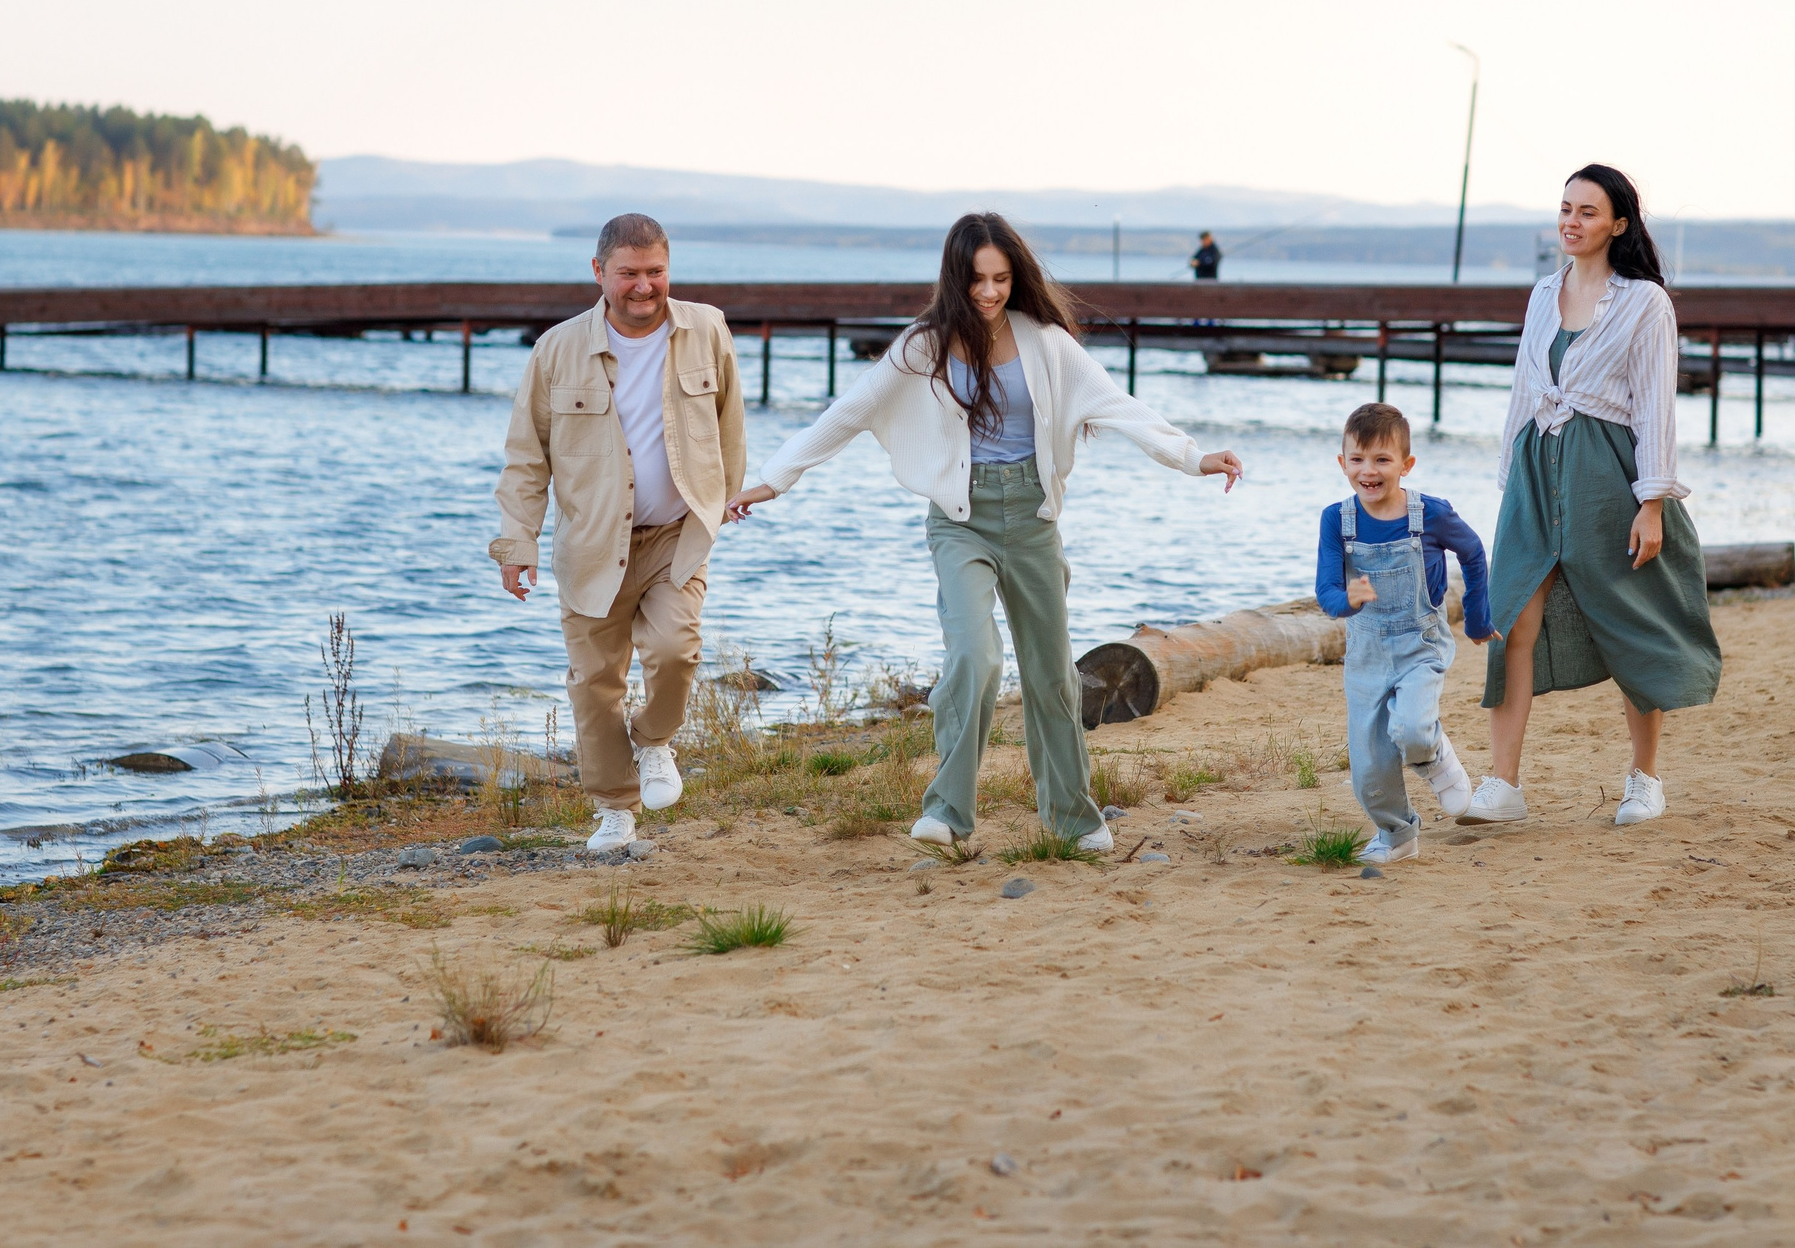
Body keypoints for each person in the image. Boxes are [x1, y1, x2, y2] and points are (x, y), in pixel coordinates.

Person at [724, 212, 1244, 853]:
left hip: (1033, 520)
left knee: (1052, 677)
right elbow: (848, 412)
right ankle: (946, 812)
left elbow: (1118, 407)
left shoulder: (1047, 343)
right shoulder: (923, 346)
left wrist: (1194, 457)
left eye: (1001, 279)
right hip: (960, 522)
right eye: (977, 280)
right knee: (975, 656)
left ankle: (1072, 817)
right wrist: (771, 480)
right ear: (955, 279)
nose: (990, 292)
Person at [1462, 165, 1722, 829]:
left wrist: (1653, 500)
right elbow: (1523, 391)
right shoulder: (1541, 293)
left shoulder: (1645, 302)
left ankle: (1645, 779)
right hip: (1535, 470)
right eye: (1565, 208)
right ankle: (1503, 784)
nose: (1571, 221)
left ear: (1618, 224)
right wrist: (1508, 483)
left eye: (1587, 211)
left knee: (1633, 619)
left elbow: (1655, 406)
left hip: (1606, 472)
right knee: (1512, 618)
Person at [491, 214, 746, 856]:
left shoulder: (707, 328)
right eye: (628, 273)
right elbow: (527, 459)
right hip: (591, 544)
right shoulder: (555, 350)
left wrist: (728, 496)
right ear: (599, 272)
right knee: (594, 684)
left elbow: (729, 421)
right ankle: (614, 811)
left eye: (654, 271)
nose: (643, 286)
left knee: (676, 649)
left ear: (669, 268)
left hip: (675, 537)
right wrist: (517, 545)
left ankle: (656, 739)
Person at [1315, 402, 1493, 864]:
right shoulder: (1337, 520)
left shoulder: (1429, 515)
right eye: (1357, 459)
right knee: (1370, 770)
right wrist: (1346, 600)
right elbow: (1327, 591)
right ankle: (1397, 834)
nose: (1367, 471)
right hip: (1366, 654)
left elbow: (1473, 554)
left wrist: (1476, 619)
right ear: (1342, 463)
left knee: (1412, 727)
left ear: (1406, 464)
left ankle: (1433, 757)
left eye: (1381, 460)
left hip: (1420, 644)